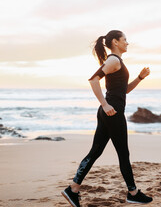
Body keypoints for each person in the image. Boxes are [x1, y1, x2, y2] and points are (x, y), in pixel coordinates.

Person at [61, 30, 153, 206]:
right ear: (116, 42)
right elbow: (93, 80)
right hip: (112, 113)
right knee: (123, 154)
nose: (127, 42)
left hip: (109, 112)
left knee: (95, 151)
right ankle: (133, 192)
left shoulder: (117, 62)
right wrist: (104, 104)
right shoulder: (113, 60)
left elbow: (123, 90)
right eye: (125, 40)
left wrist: (140, 78)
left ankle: (73, 189)